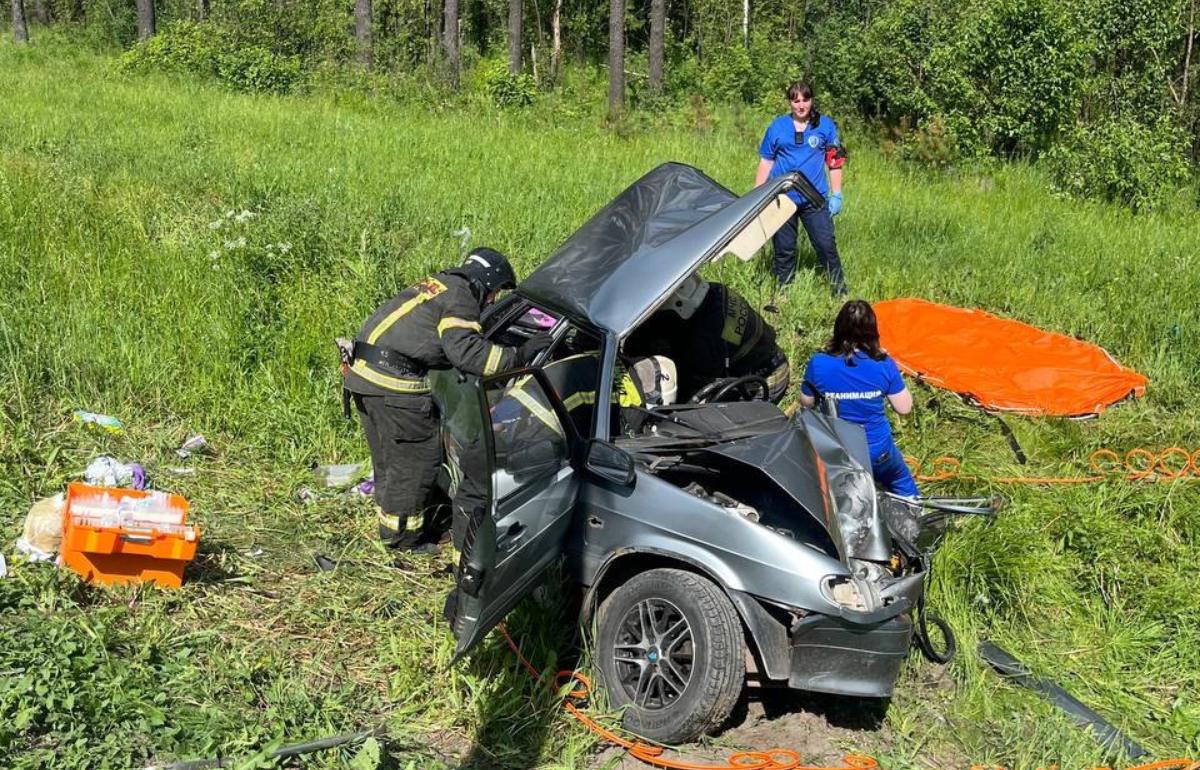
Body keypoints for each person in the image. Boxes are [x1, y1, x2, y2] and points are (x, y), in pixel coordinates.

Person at [342, 247, 552, 551]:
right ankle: (404, 542)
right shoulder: (462, 297)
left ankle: (390, 529)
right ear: (485, 281)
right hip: (393, 386)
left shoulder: (440, 284)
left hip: (364, 378)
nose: (492, 301)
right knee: (417, 462)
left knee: (389, 460)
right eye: (494, 293)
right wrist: (517, 356)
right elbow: (466, 352)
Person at [797, 300, 918, 497]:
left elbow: (806, 403)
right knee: (900, 480)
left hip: (839, 454)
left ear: (838, 328)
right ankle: (913, 514)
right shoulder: (883, 364)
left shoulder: (818, 363)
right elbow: (904, 408)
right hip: (879, 452)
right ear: (872, 330)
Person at [625, 276, 789, 404]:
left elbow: (697, 396)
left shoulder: (704, 341)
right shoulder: (714, 292)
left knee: (718, 431)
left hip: (766, 379)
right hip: (767, 355)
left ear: (679, 305)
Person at [755, 80, 848, 295]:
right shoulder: (777, 127)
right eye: (796, 101)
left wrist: (837, 195)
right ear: (790, 103)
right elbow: (766, 162)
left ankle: (839, 290)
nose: (801, 105)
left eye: (805, 99)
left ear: (811, 100)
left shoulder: (825, 126)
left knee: (826, 245)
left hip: (813, 198)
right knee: (784, 249)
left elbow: (835, 162)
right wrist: (757, 197)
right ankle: (784, 291)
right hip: (781, 198)